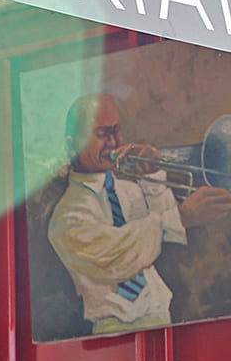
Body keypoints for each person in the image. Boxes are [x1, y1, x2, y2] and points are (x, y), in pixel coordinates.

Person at [47, 93, 231, 336]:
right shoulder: (66, 218)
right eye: (102, 134)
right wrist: (183, 216)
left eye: (116, 131)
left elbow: (167, 235)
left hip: (161, 316)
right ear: (72, 144)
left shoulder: (129, 189)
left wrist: (154, 177)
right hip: (115, 329)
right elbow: (118, 255)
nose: (113, 142)